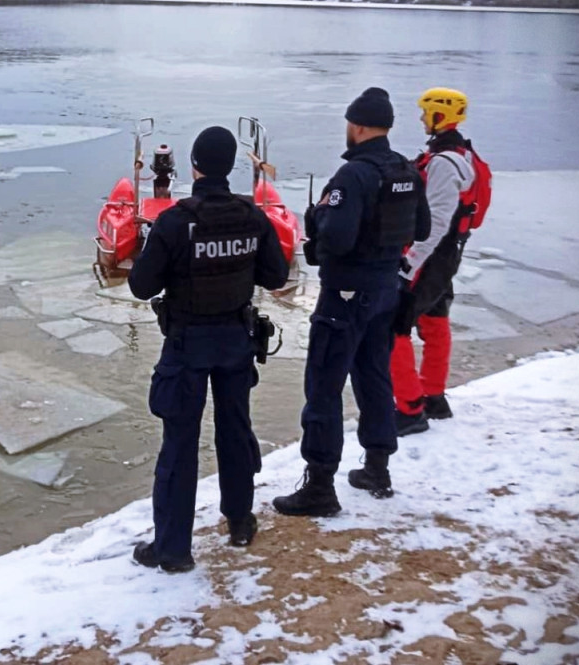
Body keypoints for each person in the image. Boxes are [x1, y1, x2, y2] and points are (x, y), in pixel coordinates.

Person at [128, 125, 289, 573]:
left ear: (194, 166)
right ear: (228, 166)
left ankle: (173, 550)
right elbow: (276, 277)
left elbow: (142, 286)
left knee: (180, 444)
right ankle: (239, 521)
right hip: (236, 342)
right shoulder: (252, 217)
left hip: (187, 346)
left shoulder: (175, 222)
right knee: (235, 430)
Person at [273, 88, 430, 515]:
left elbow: (337, 240)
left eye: (348, 123)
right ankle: (377, 468)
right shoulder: (406, 171)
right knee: (374, 376)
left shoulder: (354, 176)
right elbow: (420, 228)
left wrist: (319, 218)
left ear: (357, 126)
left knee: (323, 385)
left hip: (346, 294)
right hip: (385, 291)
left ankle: (319, 487)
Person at [391, 87, 478, 437]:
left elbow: (437, 221)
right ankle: (434, 396)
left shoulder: (443, 163)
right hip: (447, 256)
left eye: (426, 113)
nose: (422, 118)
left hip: (432, 256)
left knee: (394, 325)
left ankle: (410, 408)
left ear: (441, 116)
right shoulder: (460, 154)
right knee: (435, 318)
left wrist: (410, 262)